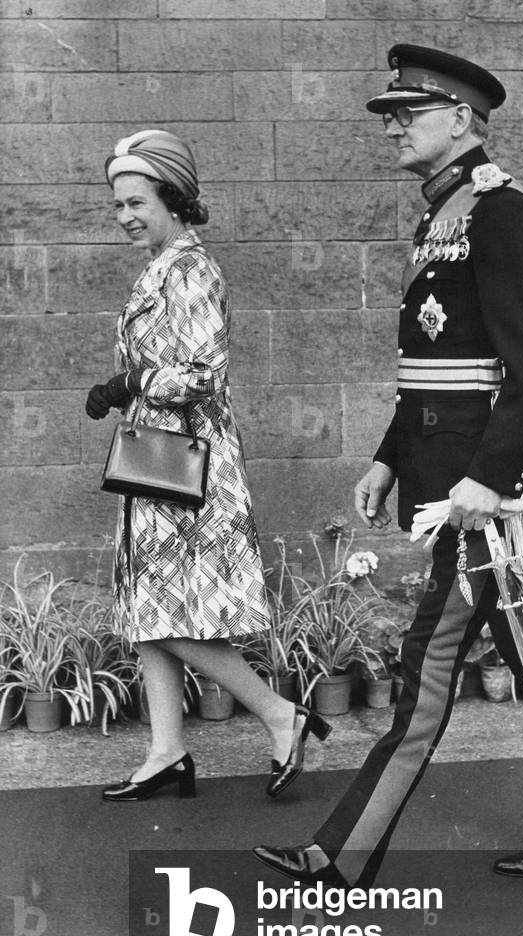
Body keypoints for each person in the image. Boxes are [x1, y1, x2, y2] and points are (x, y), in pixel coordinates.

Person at [254, 46, 523, 887]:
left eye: (407, 114)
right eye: (391, 115)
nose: (393, 128)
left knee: (425, 670)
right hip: (454, 483)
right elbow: (436, 368)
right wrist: (389, 459)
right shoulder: (446, 212)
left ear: (461, 120)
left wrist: (485, 482)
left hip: (486, 501)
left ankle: (337, 856)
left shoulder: (502, 214)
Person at [86, 129, 330, 802]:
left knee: (160, 609)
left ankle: (282, 714)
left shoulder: (190, 268)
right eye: (118, 206)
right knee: (147, 604)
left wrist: (129, 381)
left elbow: (197, 374)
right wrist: (129, 384)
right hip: (156, 453)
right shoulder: (163, 264)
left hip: (185, 459)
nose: (126, 216)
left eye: (136, 201)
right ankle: (166, 752)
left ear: (172, 196)